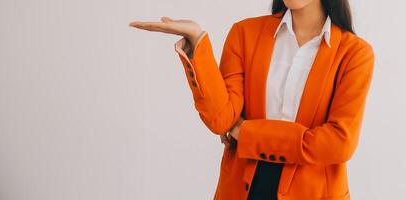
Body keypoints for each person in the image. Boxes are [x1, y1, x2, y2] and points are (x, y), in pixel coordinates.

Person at [129, 0, 375, 199]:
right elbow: (222, 119)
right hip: (242, 189)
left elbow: (338, 143)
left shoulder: (354, 54)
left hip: (316, 192)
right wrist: (197, 42)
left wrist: (246, 133)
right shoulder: (244, 33)